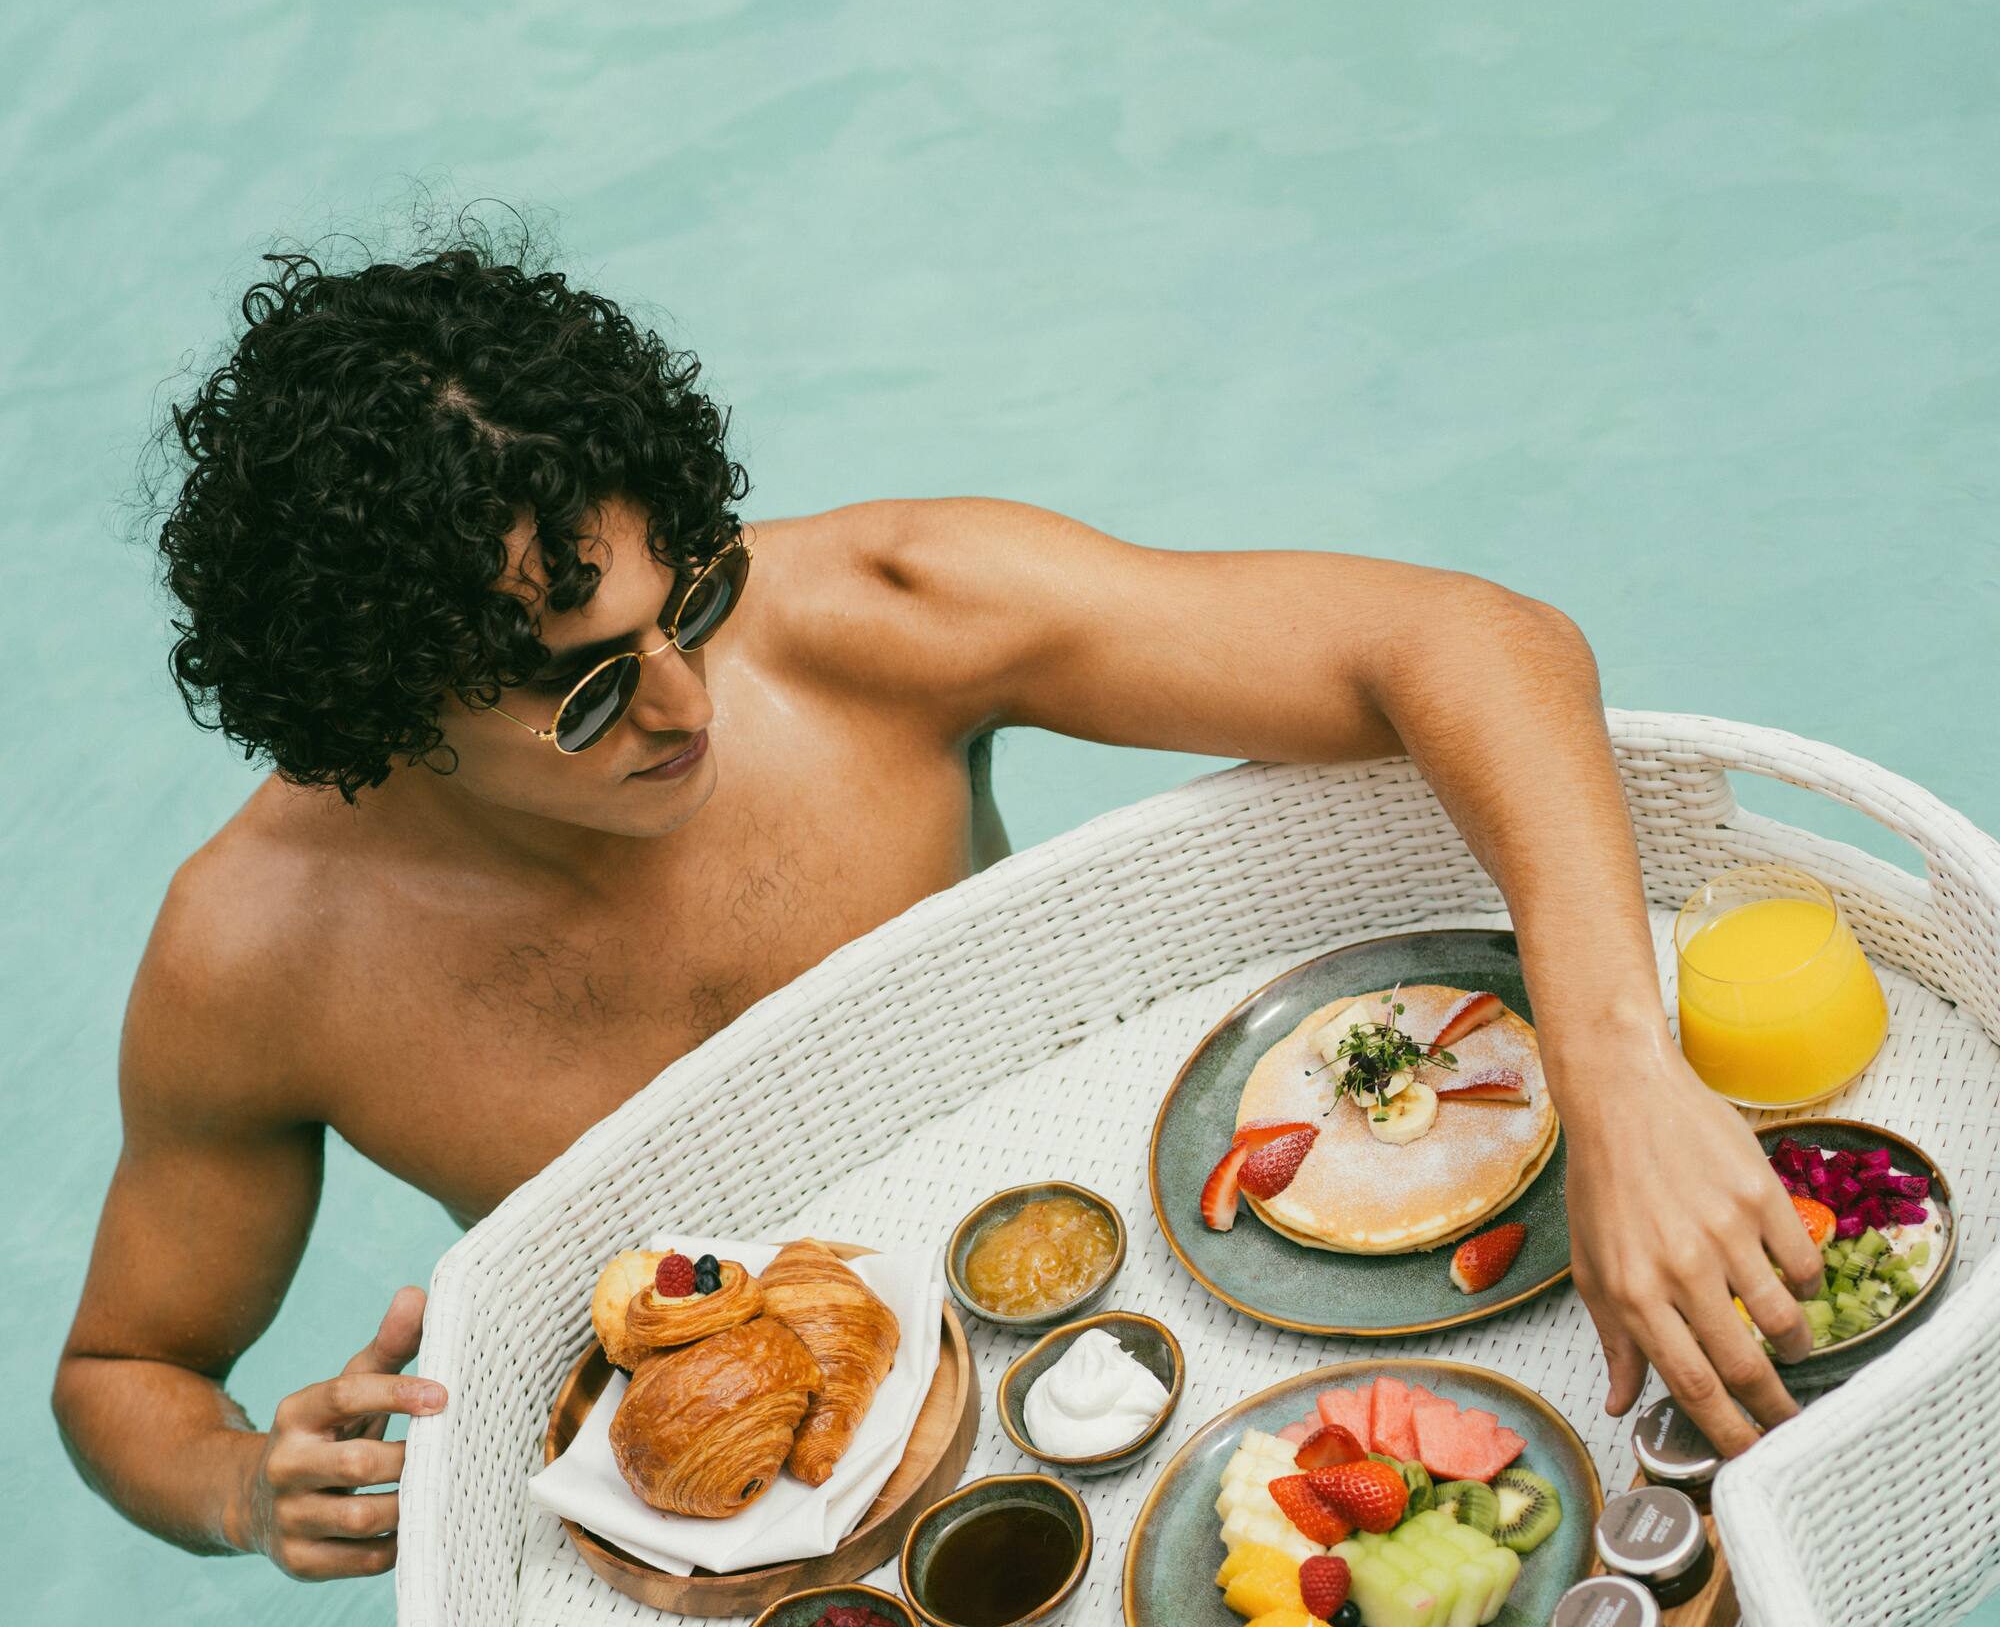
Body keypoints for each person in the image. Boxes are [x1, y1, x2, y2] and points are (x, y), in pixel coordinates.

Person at [52, 243, 1820, 1584]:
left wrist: (1621, 1068)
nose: (688, 705)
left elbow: (1467, 640)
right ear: (378, 719)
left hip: (1116, 1305)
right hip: (768, 1551)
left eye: (697, 598)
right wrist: (233, 1482)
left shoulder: (875, 614)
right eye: (584, 692)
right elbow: (126, 1366)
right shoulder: (256, 954)